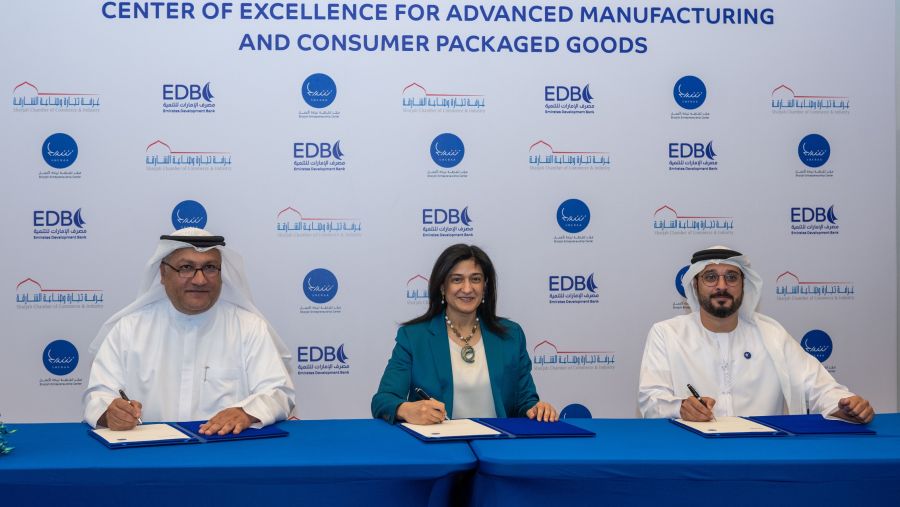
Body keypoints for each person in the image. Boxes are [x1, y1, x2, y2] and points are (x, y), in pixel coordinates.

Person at [82, 228, 296, 435]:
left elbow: (278, 392)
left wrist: (246, 412)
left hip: (226, 455)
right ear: (163, 273)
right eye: (186, 267)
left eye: (210, 267)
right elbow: (98, 396)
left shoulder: (248, 327)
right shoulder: (129, 329)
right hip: (148, 457)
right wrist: (111, 412)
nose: (200, 279)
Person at [639, 245, 874, 423]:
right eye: (710, 277)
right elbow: (651, 400)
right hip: (693, 453)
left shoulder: (771, 334)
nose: (721, 286)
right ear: (694, 285)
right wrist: (680, 407)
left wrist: (844, 405)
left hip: (763, 454)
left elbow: (817, 386)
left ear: (744, 285)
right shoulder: (667, 333)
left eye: (731, 277)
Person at [372, 244, 557, 424]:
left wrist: (537, 409)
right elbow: (383, 400)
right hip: (439, 447)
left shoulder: (511, 335)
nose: (467, 289)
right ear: (443, 287)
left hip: (498, 446)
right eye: (457, 279)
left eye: (475, 279)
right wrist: (406, 409)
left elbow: (526, 402)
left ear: (485, 286)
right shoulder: (414, 337)